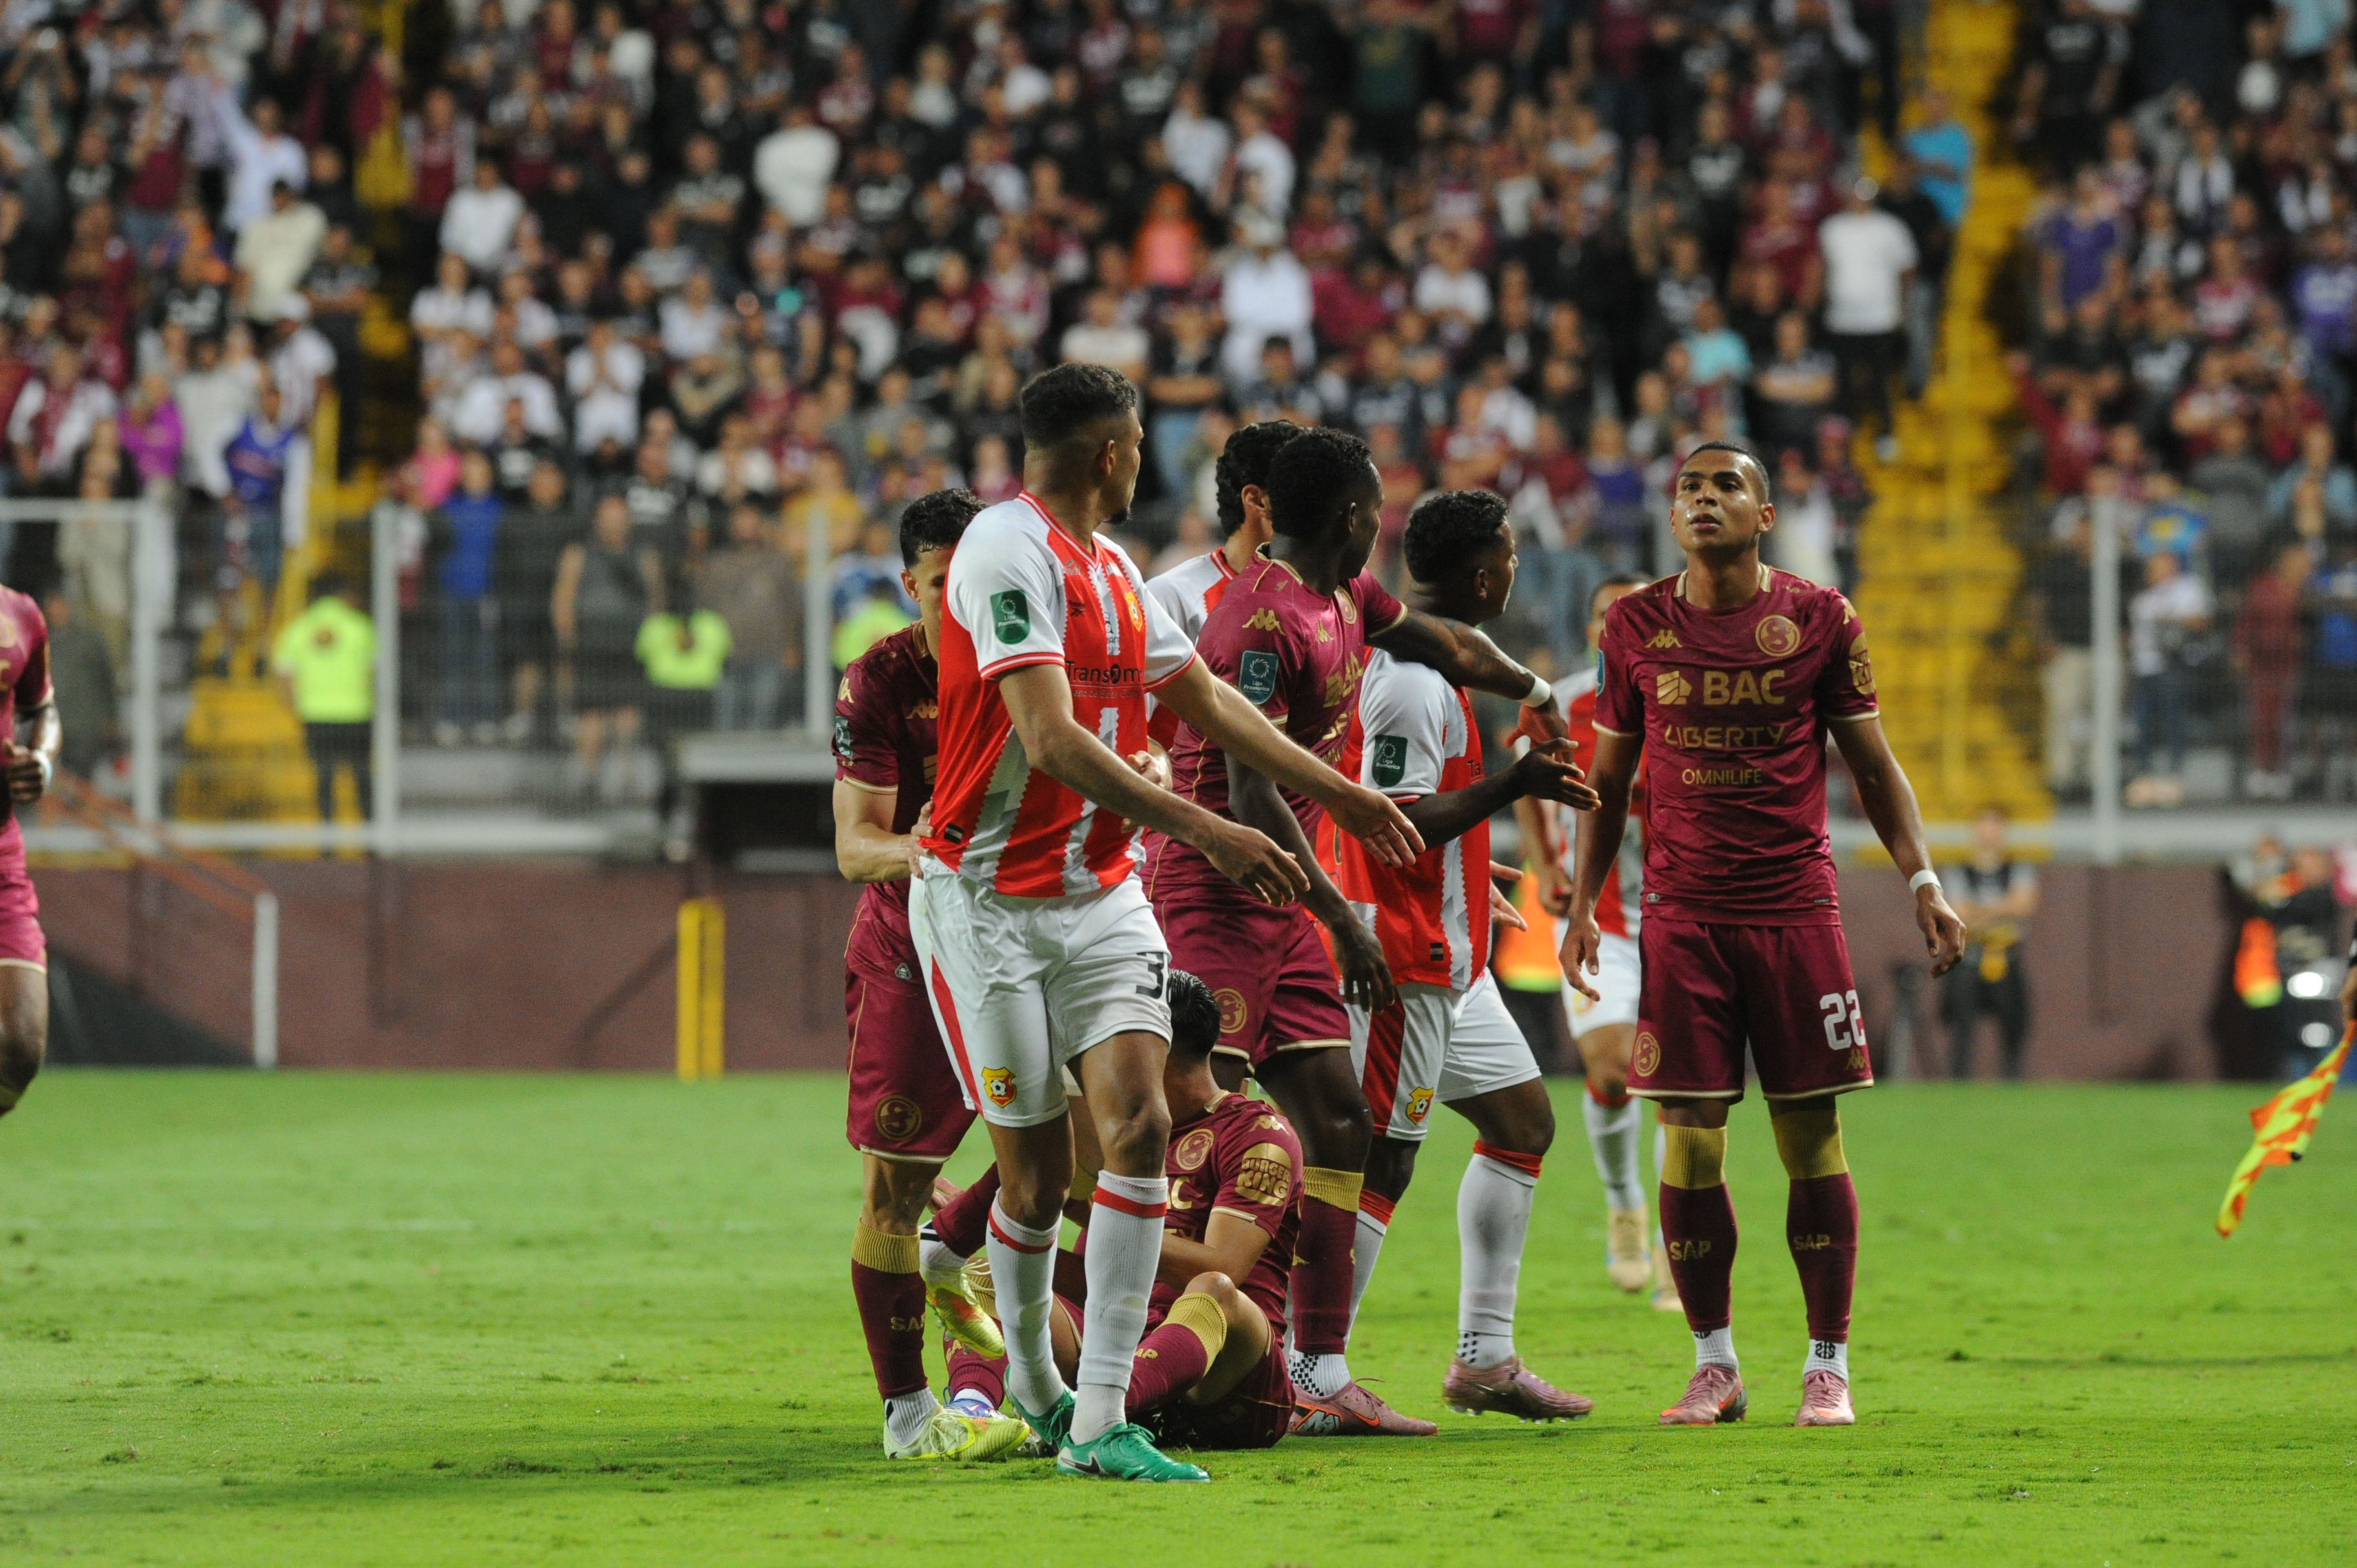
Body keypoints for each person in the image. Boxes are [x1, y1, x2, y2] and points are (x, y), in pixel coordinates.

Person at [908, 364, 1417, 1483]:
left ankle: (1096, 1422)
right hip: (987, 903)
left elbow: (1205, 700)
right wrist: (1216, 829)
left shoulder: (1112, 568)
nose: (1146, 463)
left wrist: (1333, 792)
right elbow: (1047, 740)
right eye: (1139, 445)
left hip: (1100, 893)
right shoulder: (1006, 551)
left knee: (1136, 1128)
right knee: (1039, 1180)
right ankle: (1012, 1343)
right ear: (1110, 454)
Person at [1143, 425, 1572, 1440]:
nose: (1383, 520)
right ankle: (1144, 1357)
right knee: (1188, 1127)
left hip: (1283, 897)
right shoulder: (1256, 620)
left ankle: (1318, 1370)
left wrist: (1542, 694)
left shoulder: (1348, 598)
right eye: (1374, 503)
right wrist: (1344, 918)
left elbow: (1453, 644)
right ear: (1348, 515)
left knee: (1341, 1127)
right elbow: (1251, 788)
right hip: (1216, 891)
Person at [1562, 441, 1965, 1428]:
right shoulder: (1636, 625)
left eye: (1725, 486)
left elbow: (1874, 766)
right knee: (1690, 1143)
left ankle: (1826, 1364)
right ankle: (1716, 1363)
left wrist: (1924, 879)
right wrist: (1579, 903)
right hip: (1684, 918)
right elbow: (1609, 783)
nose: (1704, 500)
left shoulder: (1821, 620)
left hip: (1793, 911)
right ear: (1672, 516)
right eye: (1689, 489)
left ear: (1765, 512)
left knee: (1809, 1137)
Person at [1326, 489, 1596, 1422]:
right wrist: (1514, 782)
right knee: (1379, 1164)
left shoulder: (1432, 666)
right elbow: (1390, 821)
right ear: (1484, 574)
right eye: (1511, 553)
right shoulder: (1408, 682)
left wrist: (1479, 849)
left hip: (1452, 953)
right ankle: (1314, 1374)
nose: (1516, 567)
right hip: (1403, 955)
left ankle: (1485, 1356)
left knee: (1523, 1121)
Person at [831, 488, 1027, 1462]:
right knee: (892, 1191)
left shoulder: (1031, 657)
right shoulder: (877, 681)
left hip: (1029, 932)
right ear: (910, 583)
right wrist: (940, 854)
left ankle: (957, 1246)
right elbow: (854, 844)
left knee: (1094, 1131)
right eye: (943, 585)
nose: (962, 604)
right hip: (912, 949)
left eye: (977, 585)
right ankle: (910, 1415)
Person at [1520, 571, 1679, 1308]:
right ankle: (1624, 1205)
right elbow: (1528, 782)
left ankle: (1681, 1240)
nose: (1618, 627)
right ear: (1590, 630)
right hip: (1600, 920)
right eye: (1605, 617)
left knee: (1680, 1085)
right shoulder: (1565, 706)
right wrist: (1548, 865)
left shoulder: (1688, 700)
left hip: (1683, 917)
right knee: (1615, 1069)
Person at [1142, 418, 1293, 746]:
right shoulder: (1172, 598)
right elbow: (1131, 735)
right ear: (1257, 501)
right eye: (1301, 493)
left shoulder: (1338, 600)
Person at [551, 493, 660, 806]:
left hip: (631, 647)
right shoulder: (579, 552)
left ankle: (626, 775)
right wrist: (568, 640)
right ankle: (587, 777)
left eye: (619, 516)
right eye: (608, 516)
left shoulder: (643, 554)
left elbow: (655, 600)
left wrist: (650, 642)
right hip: (590, 645)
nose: (614, 522)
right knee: (590, 713)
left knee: (628, 711)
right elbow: (564, 597)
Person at [0, 580, 56, 1123]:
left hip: (1, 856)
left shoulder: (19, 613)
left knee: (20, 1048)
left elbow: (44, 709)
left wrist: (41, 760)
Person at [1817, 178, 1916, 462]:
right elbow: (1823, 269)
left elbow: (1907, 270)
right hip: (1842, 319)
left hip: (1880, 319)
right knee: (1845, 382)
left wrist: (1902, 311)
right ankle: (1845, 440)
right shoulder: (1832, 228)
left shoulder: (1890, 227)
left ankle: (1885, 433)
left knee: (1880, 379)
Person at [1940, 808, 2039, 1080]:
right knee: (1961, 1028)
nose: (1989, 832)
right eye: (1983, 825)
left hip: (2006, 959)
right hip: (1969, 960)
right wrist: (2002, 912)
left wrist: (1979, 913)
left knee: (2014, 1026)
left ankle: (2012, 1082)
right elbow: (1958, 914)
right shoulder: (1958, 870)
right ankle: (1960, 1085)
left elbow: (2024, 905)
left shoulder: (2018, 868)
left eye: (1995, 825)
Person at [270, 574, 375, 823]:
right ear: (342, 593)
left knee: (324, 777)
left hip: (316, 714)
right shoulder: (360, 626)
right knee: (361, 776)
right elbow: (375, 671)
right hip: (356, 713)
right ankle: (372, 841)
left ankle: (327, 844)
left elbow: (284, 673)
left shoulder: (298, 628)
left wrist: (293, 703)